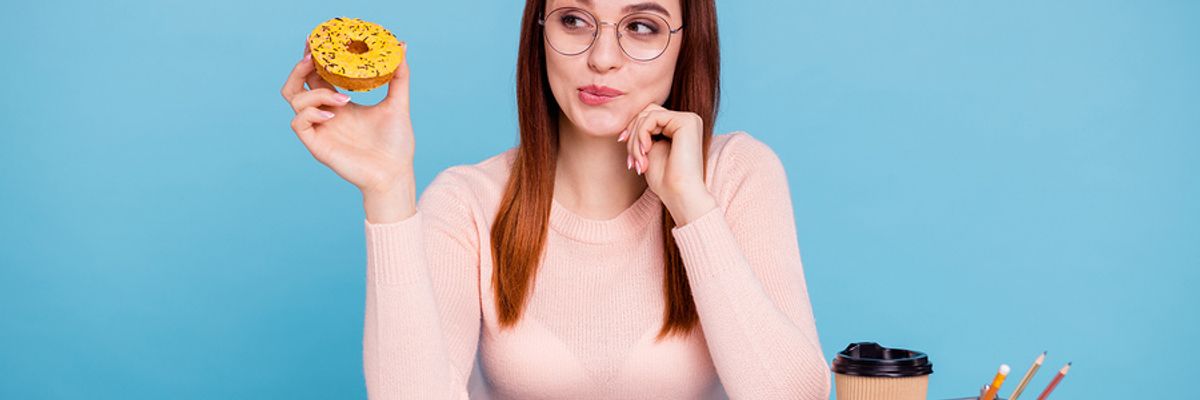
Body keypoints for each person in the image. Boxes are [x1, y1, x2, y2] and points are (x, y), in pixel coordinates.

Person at [280, 0, 830, 398]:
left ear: (689, 42)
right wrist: (388, 190)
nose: (603, 58)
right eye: (574, 20)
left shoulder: (736, 173)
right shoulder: (468, 202)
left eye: (642, 27)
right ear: (539, 30)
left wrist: (691, 207)